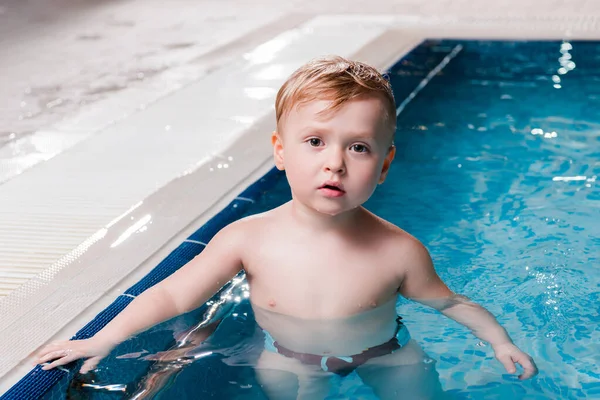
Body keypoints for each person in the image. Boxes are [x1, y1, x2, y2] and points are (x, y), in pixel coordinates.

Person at [35, 56, 538, 399]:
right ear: (279, 150)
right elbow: (172, 297)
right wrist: (103, 339)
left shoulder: (399, 250)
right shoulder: (246, 240)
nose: (334, 164)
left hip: (387, 354)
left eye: (358, 147)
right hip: (290, 360)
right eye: (315, 141)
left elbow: (447, 302)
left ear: (384, 166)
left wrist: (498, 340)